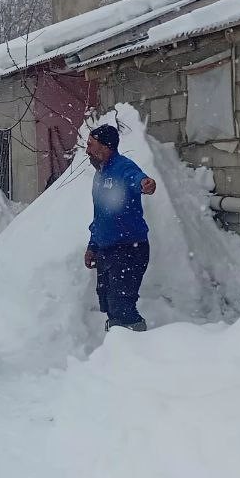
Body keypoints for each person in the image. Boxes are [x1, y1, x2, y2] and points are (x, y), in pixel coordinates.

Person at [83, 124, 157, 332]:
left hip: (129, 250)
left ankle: (137, 341)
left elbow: (137, 179)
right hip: (107, 250)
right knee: (108, 303)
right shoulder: (100, 174)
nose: (87, 150)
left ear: (106, 147)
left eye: (90, 145)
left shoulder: (123, 167)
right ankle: (117, 342)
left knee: (122, 306)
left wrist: (146, 184)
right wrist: (93, 246)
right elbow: (100, 216)